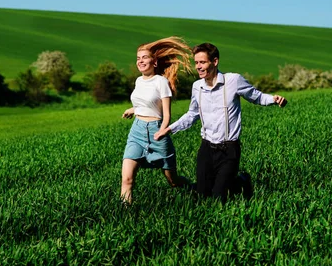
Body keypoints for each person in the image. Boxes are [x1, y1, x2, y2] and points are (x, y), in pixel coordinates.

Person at [155, 42, 287, 203]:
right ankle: (233, 182)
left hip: (229, 148)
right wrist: (169, 129)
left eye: (202, 62)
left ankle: (242, 181)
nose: (198, 67)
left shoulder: (233, 81)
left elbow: (256, 96)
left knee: (219, 197)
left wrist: (274, 99)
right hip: (207, 148)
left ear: (215, 62)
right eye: (196, 63)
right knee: (203, 194)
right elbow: (192, 114)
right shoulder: (197, 87)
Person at [120, 36, 194, 204]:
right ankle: (125, 214)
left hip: (157, 131)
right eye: (138, 58)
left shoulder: (161, 82)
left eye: (144, 57)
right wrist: (133, 110)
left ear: (154, 62)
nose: (140, 61)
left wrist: (163, 130)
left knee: (173, 181)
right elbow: (145, 103)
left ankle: (194, 189)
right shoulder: (138, 81)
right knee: (127, 180)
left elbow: (166, 113)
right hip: (136, 131)